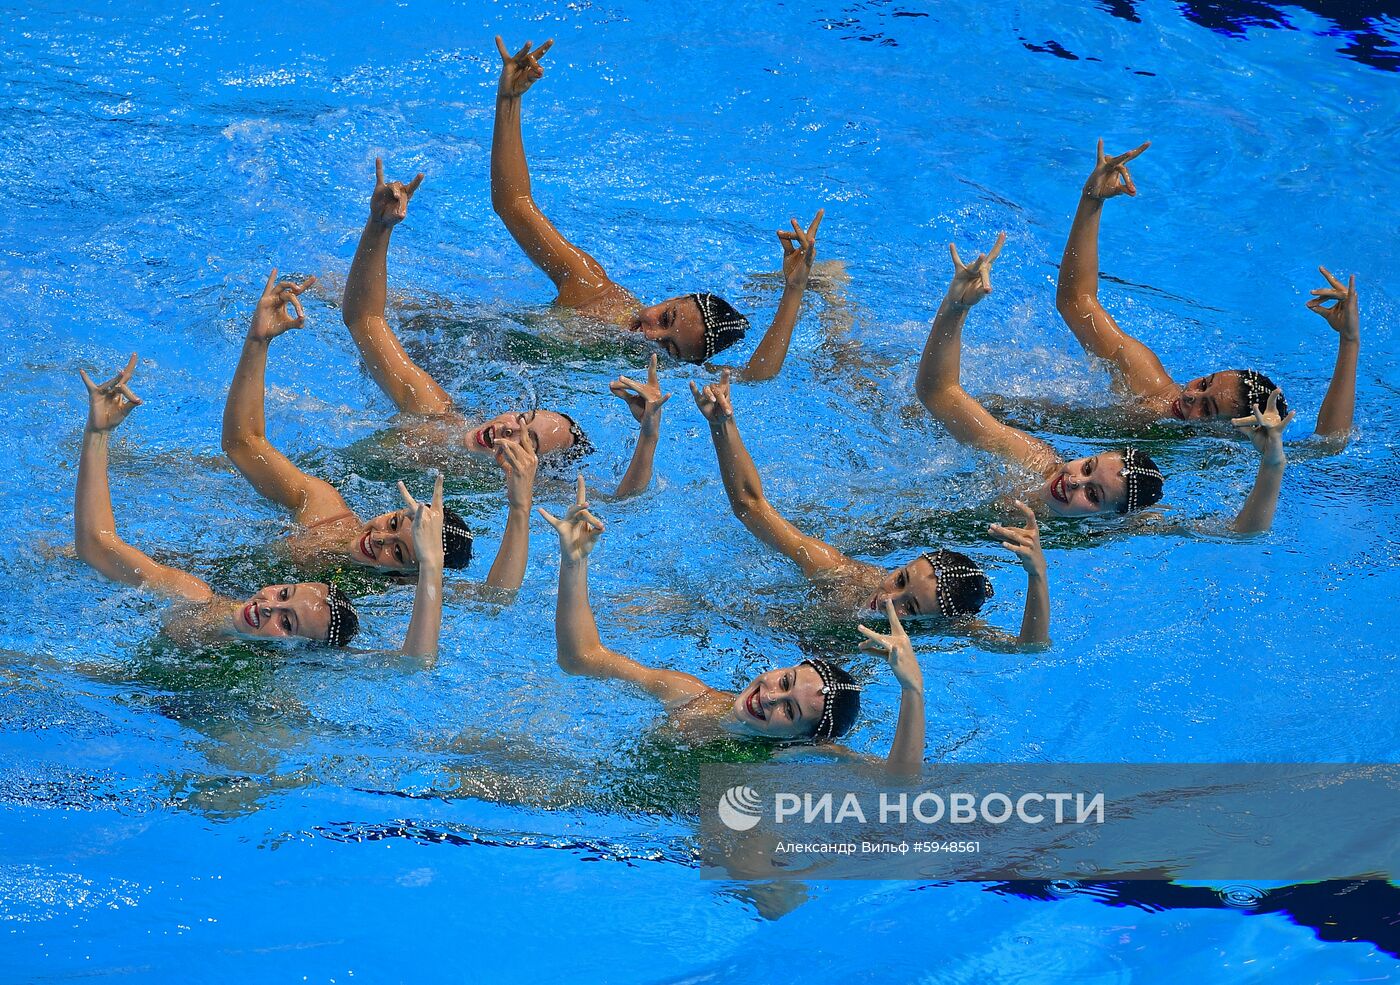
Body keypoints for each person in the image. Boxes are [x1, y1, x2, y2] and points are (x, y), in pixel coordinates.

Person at [491, 36, 824, 381]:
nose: (650, 336)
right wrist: (509, 99)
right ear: (673, 298)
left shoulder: (652, 364)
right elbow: (513, 205)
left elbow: (756, 377)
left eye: (669, 348)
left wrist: (794, 289)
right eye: (666, 318)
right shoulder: (590, 287)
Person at [75, 355, 447, 660]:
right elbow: (96, 545)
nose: (270, 608)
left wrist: (431, 566)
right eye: (283, 595)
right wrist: (97, 434)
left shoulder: (272, 668)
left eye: (287, 625)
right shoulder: (193, 596)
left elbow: (414, 664)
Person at [538, 476, 927, 766]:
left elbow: (897, 784)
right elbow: (582, 658)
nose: (771, 696)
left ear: (798, 739)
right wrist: (575, 562)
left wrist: (912, 690)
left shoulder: (790, 755)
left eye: (789, 711)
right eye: (786, 681)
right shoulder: (689, 696)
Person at [920, 233, 1295, 532]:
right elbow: (940, 394)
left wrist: (1273, 462)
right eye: (1086, 468)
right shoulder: (1032, 463)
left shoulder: (1117, 525)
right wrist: (956, 307)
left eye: (1094, 494)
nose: (1073, 482)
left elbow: (1241, 532)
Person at [341, 159, 666, 491]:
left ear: (532, 468)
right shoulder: (431, 413)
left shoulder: (509, 488)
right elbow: (364, 320)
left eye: (529, 442)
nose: (509, 430)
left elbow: (618, 504)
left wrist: (650, 434)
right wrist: (379, 227)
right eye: (522, 419)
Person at [223, 269, 534, 593]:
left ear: (411, 576)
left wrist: (520, 507)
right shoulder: (321, 508)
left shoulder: (391, 594)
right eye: (394, 522)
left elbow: (495, 598)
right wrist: (258, 340)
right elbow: (243, 444)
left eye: (397, 552)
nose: (379, 538)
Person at [692, 371, 1049, 643]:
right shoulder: (837, 574)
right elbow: (751, 508)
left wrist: (1036, 575)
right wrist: (723, 427)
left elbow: (1026, 648)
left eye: (910, 608)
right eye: (900, 580)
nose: (889, 601)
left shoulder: (946, 627)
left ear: (938, 623)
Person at [1055, 140, 1358, 444]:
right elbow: (1076, 302)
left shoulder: (1221, 453)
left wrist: (1349, 341)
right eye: (1204, 384)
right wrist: (1091, 200)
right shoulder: (1146, 380)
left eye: (1208, 407)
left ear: (1232, 431)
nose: (1189, 396)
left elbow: (1329, 444)